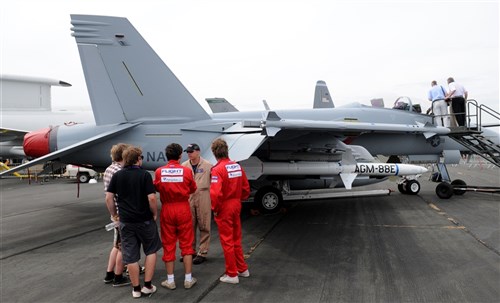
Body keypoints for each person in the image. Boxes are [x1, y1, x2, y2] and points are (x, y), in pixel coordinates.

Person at [106, 146, 162, 298]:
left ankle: (136, 289)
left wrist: (114, 214)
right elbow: (151, 198)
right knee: (150, 251)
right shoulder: (144, 175)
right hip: (144, 220)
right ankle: (148, 286)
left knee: (130, 256)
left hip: (126, 222)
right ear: (138, 159)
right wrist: (154, 213)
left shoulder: (117, 175)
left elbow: (109, 198)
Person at [154, 143, 198, 290]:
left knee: (168, 244)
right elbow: (193, 188)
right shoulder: (186, 171)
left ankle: (170, 280)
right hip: (183, 208)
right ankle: (188, 279)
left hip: (167, 209)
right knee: (186, 245)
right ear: (180, 156)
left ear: (167, 156)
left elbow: (157, 187)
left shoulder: (160, 171)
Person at [209, 138, 251, 284]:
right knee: (236, 239)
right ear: (227, 150)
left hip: (225, 206)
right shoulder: (237, 167)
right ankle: (242, 269)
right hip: (236, 204)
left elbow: (215, 194)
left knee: (227, 241)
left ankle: (232, 274)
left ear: (214, 153)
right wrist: (240, 199)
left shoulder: (217, 169)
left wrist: (215, 209)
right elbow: (246, 188)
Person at [103, 143, 131, 287]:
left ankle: (109, 273)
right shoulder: (120, 171)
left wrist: (112, 214)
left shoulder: (109, 169)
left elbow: (108, 197)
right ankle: (119, 277)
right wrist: (116, 215)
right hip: (122, 214)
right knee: (123, 247)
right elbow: (112, 196)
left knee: (116, 245)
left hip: (115, 214)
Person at [181, 143, 213, 265]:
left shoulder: (208, 165)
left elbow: (213, 182)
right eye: (187, 152)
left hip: (203, 195)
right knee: (189, 225)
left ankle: (202, 252)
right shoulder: (184, 166)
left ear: (198, 151)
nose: (189, 154)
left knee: (204, 224)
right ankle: (191, 251)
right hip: (189, 196)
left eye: (191, 151)